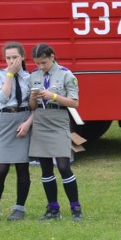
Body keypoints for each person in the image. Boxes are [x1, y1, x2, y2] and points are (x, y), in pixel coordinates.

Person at [27, 43, 83, 222]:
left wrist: (53, 97)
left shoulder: (66, 75)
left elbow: (74, 103)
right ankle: (53, 208)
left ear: (52, 56)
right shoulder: (33, 76)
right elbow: (32, 107)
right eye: (37, 64)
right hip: (41, 121)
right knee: (45, 168)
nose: (40, 67)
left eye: (43, 62)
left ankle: (76, 207)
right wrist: (33, 98)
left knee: (63, 166)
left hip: (58, 121)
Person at [0, 42, 32, 222]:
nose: (12, 61)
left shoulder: (30, 77)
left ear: (23, 57)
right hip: (4, 120)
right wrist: (10, 74)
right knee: (1, 167)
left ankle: (19, 208)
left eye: (15, 57)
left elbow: (35, 105)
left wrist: (29, 123)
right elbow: (2, 97)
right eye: (8, 58)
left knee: (22, 167)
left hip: (23, 119)